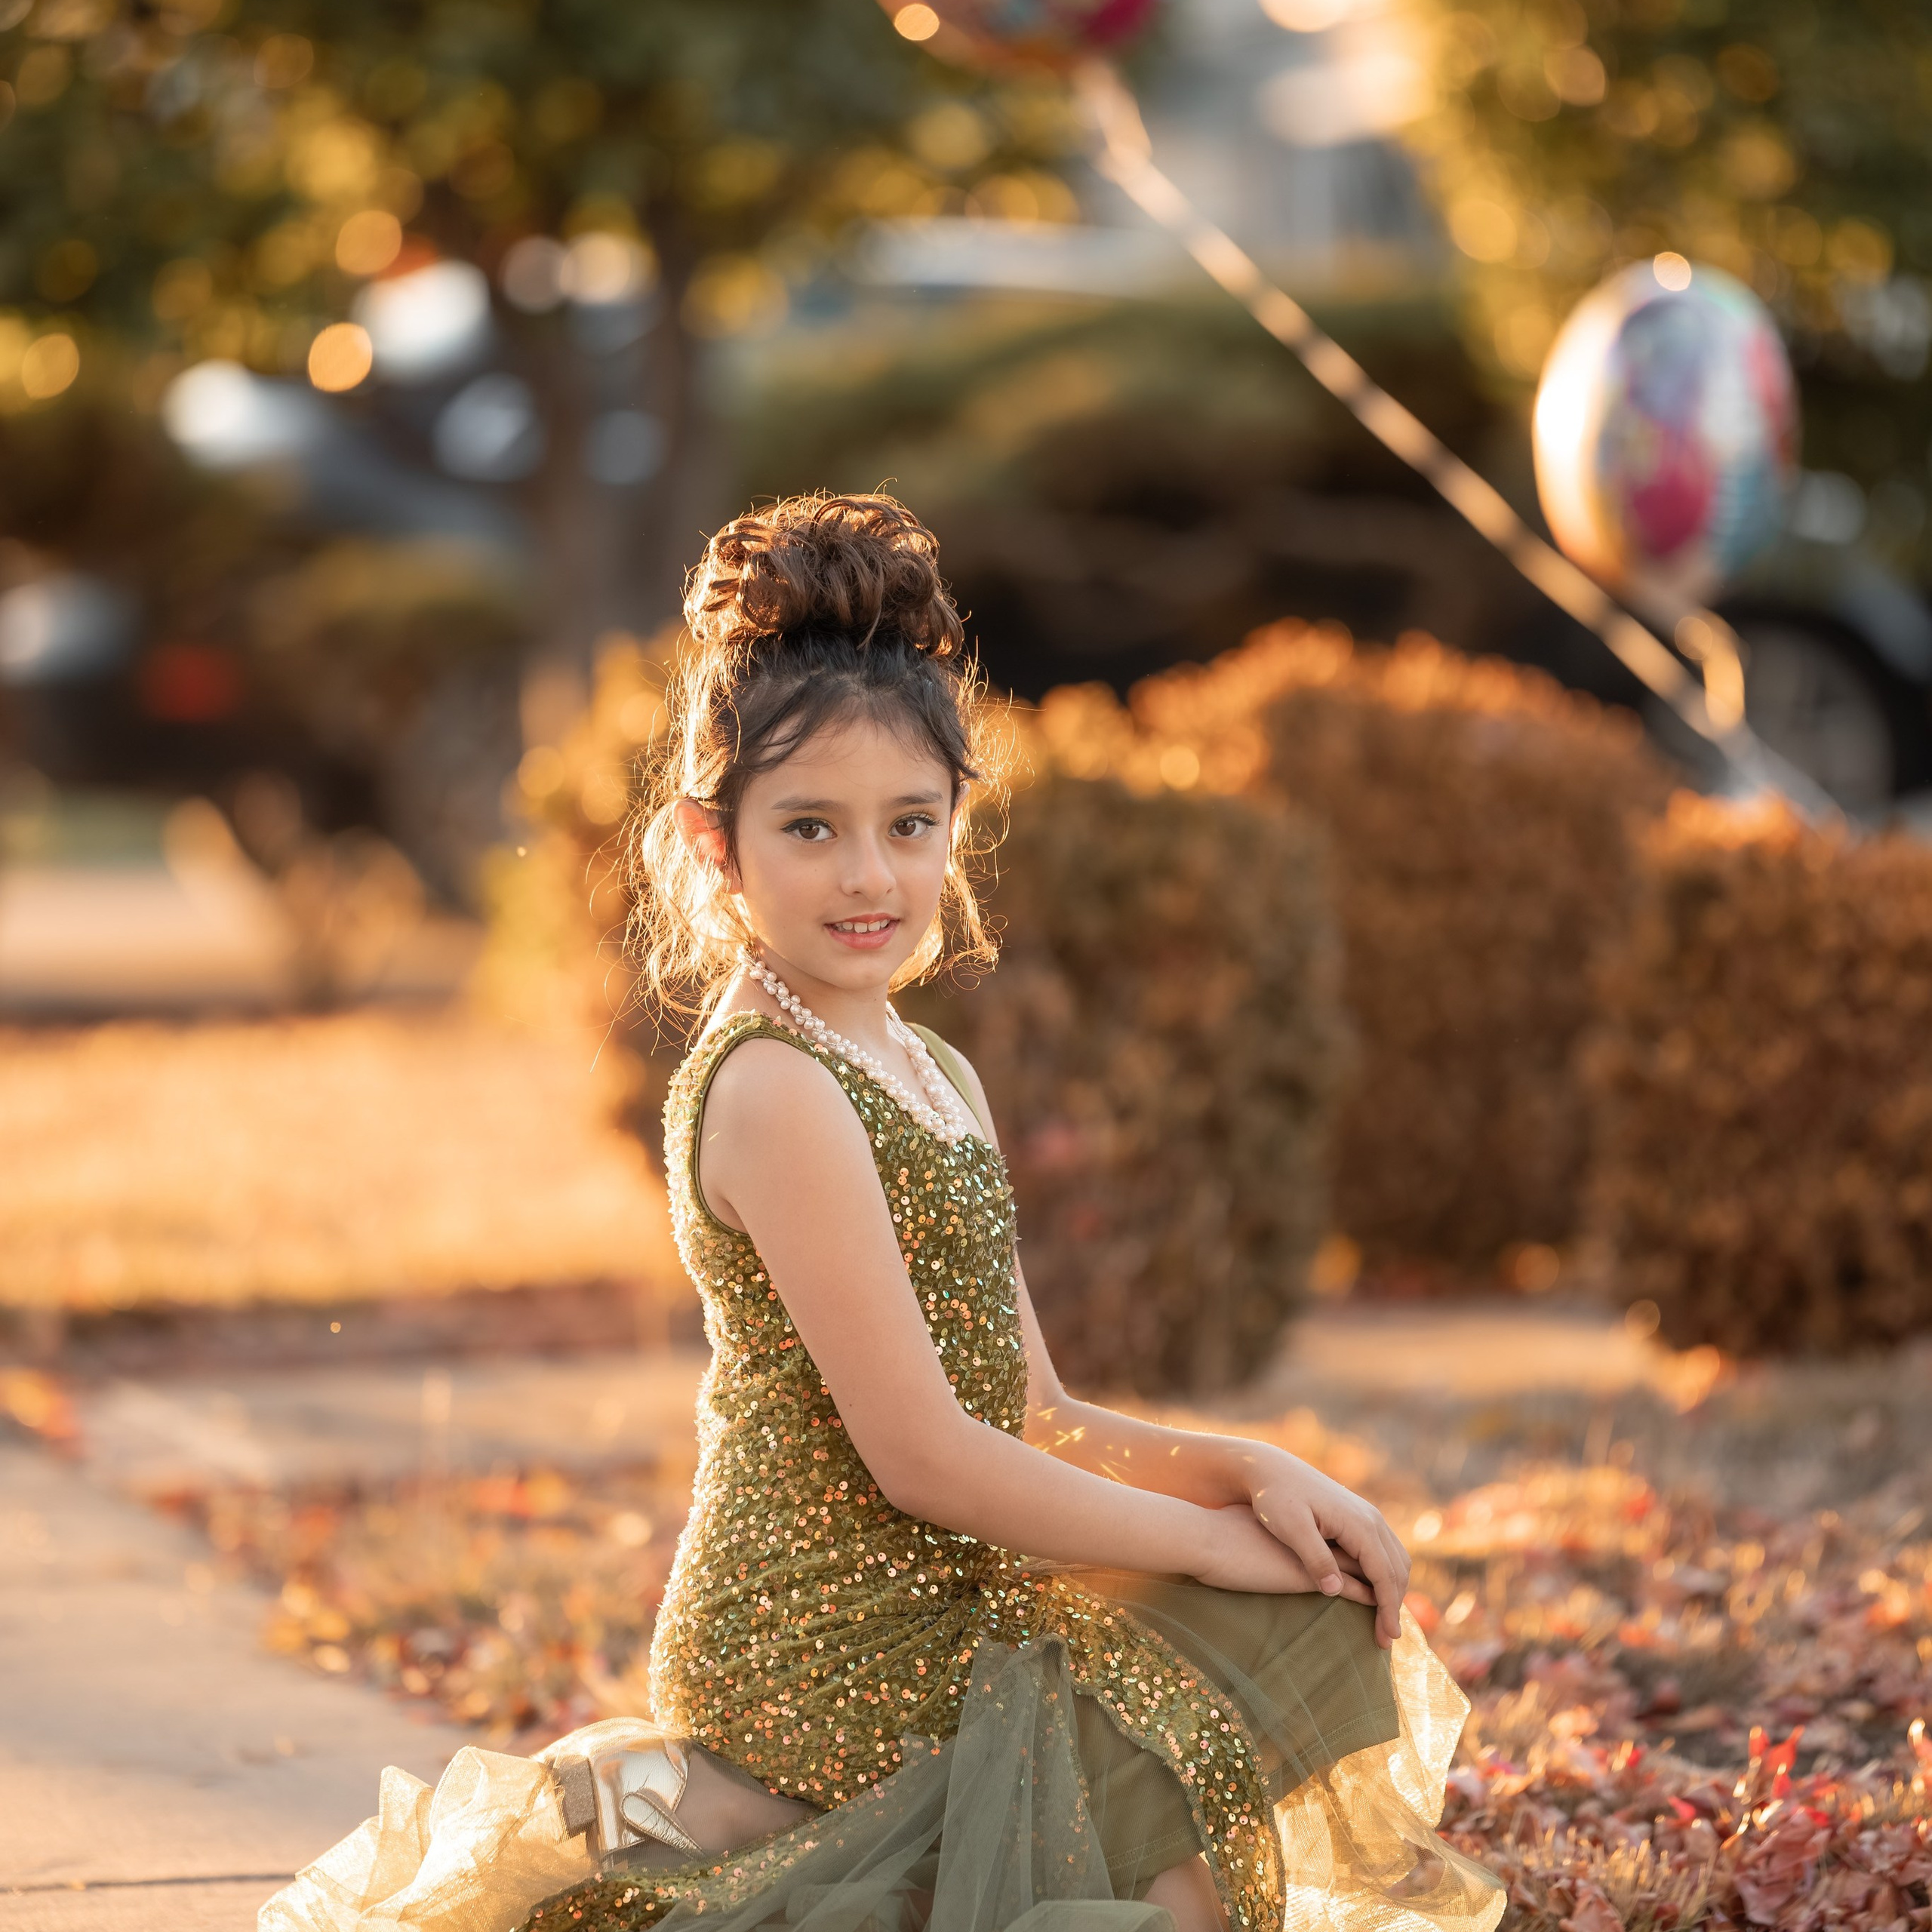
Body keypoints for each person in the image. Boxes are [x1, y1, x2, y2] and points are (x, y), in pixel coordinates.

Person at [263, 494, 1502, 1932]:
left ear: (957, 823)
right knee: (1178, 1759)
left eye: (909, 825)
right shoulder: (777, 1086)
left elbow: (1035, 1413)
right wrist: (1215, 1550)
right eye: (811, 829)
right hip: (820, 1644)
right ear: (714, 843)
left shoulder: (927, 1068)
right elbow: (924, 1456)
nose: (869, 876)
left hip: (957, 1601)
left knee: (1262, 1652)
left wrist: (1249, 1473)